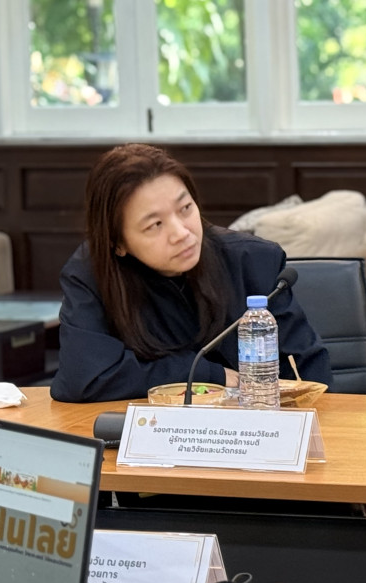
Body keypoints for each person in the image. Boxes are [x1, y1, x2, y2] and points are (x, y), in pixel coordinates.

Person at [50, 143, 332, 403]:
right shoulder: (91, 274)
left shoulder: (252, 261)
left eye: (185, 209)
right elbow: (82, 380)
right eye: (155, 225)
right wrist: (207, 374)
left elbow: (311, 374)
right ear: (118, 243)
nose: (181, 233)